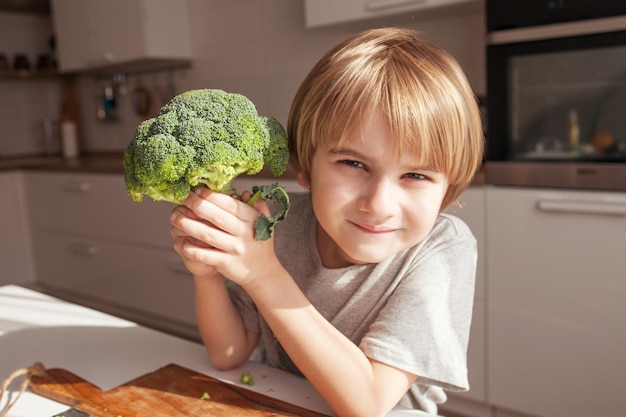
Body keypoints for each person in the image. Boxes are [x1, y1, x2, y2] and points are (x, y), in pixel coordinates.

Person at [170, 27, 484, 417]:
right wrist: (208, 273)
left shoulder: (442, 249)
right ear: (305, 166)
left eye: (416, 176)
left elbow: (367, 405)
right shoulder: (278, 222)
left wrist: (264, 274)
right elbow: (227, 355)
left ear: (447, 192)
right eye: (354, 164)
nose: (379, 204)